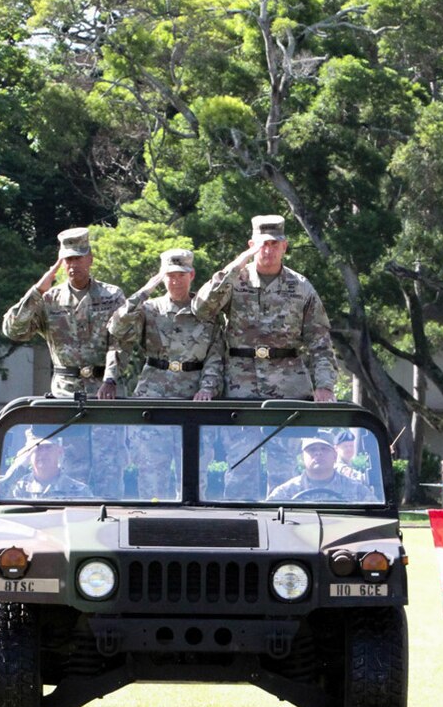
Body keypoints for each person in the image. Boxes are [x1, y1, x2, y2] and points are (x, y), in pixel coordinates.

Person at [193, 214, 337, 401]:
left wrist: (325, 386)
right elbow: (201, 310)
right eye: (262, 245)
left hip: (289, 387)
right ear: (252, 246)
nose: (268, 251)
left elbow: (320, 341)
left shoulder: (301, 287)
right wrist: (235, 266)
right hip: (240, 385)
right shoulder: (234, 280)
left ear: (284, 246)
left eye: (274, 244)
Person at [1, 227, 125, 399]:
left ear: (90, 259)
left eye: (78, 258)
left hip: (105, 391)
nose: (73, 264)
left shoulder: (112, 296)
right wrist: (36, 291)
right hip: (65, 392)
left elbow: (119, 343)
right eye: (68, 259)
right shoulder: (49, 300)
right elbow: (13, 331)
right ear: (61, 263)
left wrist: (110, 379)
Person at [108, 248, 225, 401]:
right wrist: (144, 292)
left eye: (181, 275)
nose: (176, 282)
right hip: (152, 391)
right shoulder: (149, 309)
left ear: (192, 275)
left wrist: (208, 389)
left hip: (194, 393)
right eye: (170, 276)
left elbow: (214, 356)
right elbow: (117, 328)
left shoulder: (207, 312)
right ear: (162, 278)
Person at [266, 436, 375, 502]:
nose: (318, 453)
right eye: (312, 450)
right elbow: (269, 519)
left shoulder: (357, 491)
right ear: (302, 458)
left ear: (335, 456)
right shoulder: (286, 492)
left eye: (324, 449)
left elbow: (374, 521)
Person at [3, 434, 95, 501]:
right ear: (29, 453)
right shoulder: (19, 488)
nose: (43, 453)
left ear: (59, 451)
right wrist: (20, 465)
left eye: (48, 447)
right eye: (38, 448)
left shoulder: (79, 491)